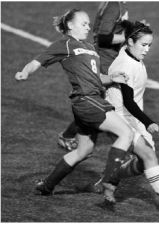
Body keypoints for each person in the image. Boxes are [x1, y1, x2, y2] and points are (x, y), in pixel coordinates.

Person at [14, 9, 134, 204]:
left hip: (90, 100)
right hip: (87, 101)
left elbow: (96, 79)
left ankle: (46, 186)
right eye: (84, 23)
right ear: (70, 25)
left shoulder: (89, 47)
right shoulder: (64, 44)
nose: (88, 26)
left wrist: (112, 78)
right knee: (126, 133)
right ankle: (109, 182)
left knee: (83, 150)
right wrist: (25, 72)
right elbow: (38, 60)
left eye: (88, 23)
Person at [102, 21, 159, 214]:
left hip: (133, 119)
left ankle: (110, 178)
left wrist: (135, 25)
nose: (146, 50)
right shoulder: (125, 65)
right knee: (149, 155)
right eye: (143, 45)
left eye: (149, 45)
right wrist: (149, 122)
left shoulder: (130, 54)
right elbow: (129, 102)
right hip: (120, 119)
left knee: (142, 163)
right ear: (130, 42)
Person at [58, 2, 129, 151]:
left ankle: (69, 136)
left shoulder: (113, 4)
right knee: (111, 105)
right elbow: (103, 37)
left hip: (105, 58)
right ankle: (125, 147)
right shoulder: (114, 5)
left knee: (100, 102)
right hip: (105, 60)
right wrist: (127, 37)